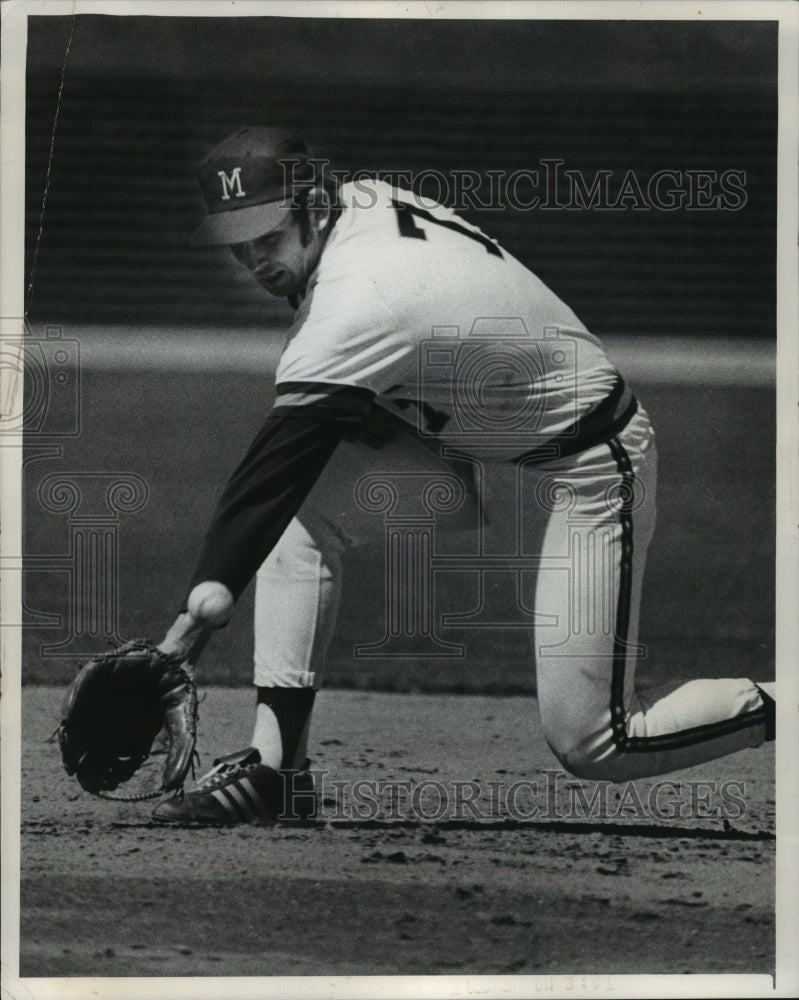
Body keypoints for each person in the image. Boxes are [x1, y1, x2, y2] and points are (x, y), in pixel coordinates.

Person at [151, 127, 774, 824]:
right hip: (476, 448)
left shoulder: (360, 299)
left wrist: (185, 634)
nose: (254, 258)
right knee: (304, 514)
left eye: (267, 234)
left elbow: (269, 470)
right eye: (239, 241)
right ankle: (274, 771)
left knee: (595, 741)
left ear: (314, 205)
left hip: (584, 469)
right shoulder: (358, 213)